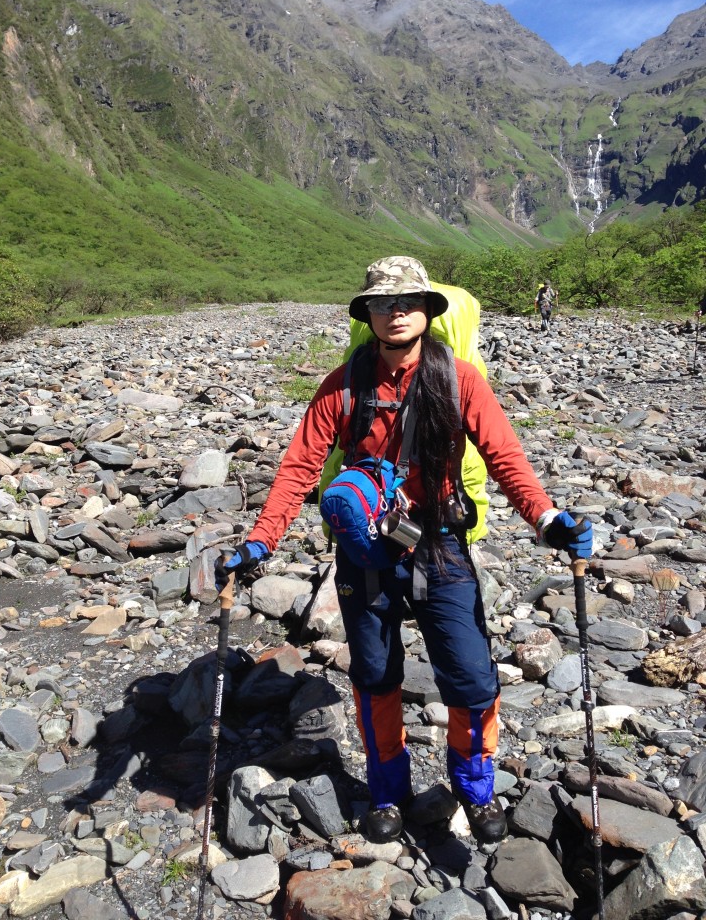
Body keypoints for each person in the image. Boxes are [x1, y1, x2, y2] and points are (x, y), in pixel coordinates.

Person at [223, 257, 593, 846]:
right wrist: (260, 540)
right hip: (366, 552)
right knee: (374, 675)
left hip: (440, 544)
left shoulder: (460, 381)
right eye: (382, 303)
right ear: (366, 313)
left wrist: (546, 518)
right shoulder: (342, 385)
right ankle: (388, 792)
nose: (395, 312)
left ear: (427, 311)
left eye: (407, 302)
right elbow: (300, 466)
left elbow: (503, 456)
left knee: (472, 679)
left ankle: (475, 789)